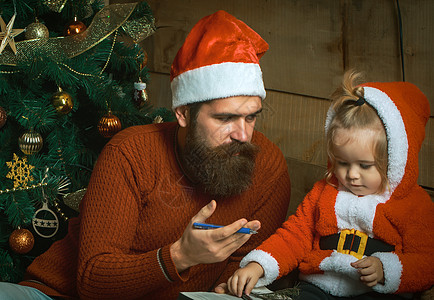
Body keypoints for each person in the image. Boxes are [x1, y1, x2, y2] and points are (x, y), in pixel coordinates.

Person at [0, 10, 291, 300]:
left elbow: (242, 268)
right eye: (225, 119)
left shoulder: (268, 168)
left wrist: (228, 287)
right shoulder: (129, 153)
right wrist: (180, 255)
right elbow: (92, 283)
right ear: (183, 114)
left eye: (251, 118)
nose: (242, 135)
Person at [221, 71, 434, 299]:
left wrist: (386, 269)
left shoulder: (413, 205)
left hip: (376, 292)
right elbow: (294, 235)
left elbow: (427, 262)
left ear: (394, 160)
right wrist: (258, 265)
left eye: (365, 165)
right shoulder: (324, 193)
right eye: (342, 163)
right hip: (318, 287)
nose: (352, 175)